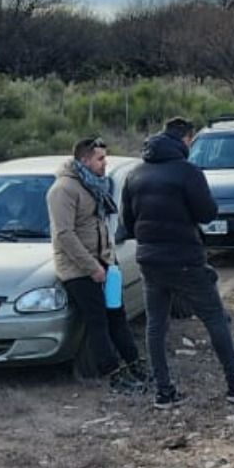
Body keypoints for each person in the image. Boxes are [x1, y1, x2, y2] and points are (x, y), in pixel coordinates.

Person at [121, 117, 234, 409]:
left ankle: (164, 392)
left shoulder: (135, 174)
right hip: (185, 259)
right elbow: (207, 213)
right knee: (216, 319)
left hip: (149, 260)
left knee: (156, 325)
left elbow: (128, 223)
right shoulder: (188, 172)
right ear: (186, 139)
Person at [47, 137, 146, 394]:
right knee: (97, 321)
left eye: (105, 157)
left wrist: (107, 262)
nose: (105, 163)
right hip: (79, 270)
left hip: (105, 264)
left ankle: (135, 364)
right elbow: (64, 234)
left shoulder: (94, 185)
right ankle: (112, 373)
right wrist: (92, 267)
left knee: (117, 316)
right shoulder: (63, 190)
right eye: (100, 159)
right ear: (84, 160)